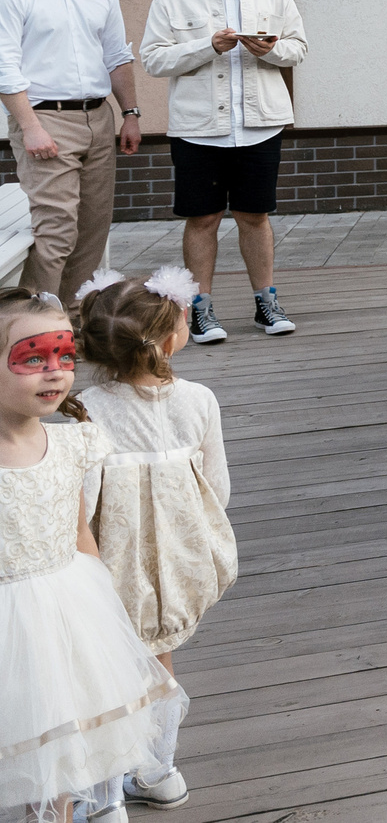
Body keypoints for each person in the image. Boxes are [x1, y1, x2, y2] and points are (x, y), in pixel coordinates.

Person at [0, 286, 185, 821]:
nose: (55, 371)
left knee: (57, 749)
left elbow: (80, 533)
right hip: (10, 627)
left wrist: (107, 614)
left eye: (65, 355)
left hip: (68, 617)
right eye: (32, 358)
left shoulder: (70, 444)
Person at [69, 268, 237, 811]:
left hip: (107, 569)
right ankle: (159, 771)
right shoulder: (199, 400)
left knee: (98, 677)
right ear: (170, 338)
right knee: (158, 661)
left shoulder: (86, 411)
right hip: (178, 564)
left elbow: (83, 499)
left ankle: (103, 797)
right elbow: (218, 487)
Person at [138, 0, 307, 345]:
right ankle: (200, 309)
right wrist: (207, 45)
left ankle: (265, 303)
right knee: (203, 218)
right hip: (198, 128)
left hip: (260, 124)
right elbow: (154, 59)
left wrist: (266, 49)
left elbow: (297, 49)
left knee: (255, 215)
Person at [0, 0, 142, 303]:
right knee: (57, 229)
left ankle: (74, 321)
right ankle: (31, 325)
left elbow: (116, 55)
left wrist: (130, 114)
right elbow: (4, 66)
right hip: (46, 119)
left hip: (99, 118)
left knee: (92, 227)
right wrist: (30, 127)